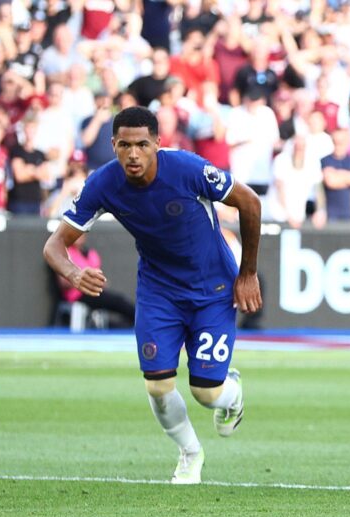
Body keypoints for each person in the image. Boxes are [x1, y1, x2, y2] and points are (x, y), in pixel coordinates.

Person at [43, 106, 263, 484]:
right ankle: (190, 453)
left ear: (158, 144)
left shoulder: (189, 170)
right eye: (124, 145)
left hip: (213, 288)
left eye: (142, 144)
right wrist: (74, 273)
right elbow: (54, 246)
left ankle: (231, 391)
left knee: (206, 393)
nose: (133, 154)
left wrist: (248, 273)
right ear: (112, 145)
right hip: (159, 291)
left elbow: (249, 202)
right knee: (158, 385)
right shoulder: (103, 184)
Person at [55, 235, 136, 328]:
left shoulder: (91, 254)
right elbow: (63, 282)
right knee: (117, 301)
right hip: (78, 295)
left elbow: (99, 277)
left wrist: (99, 282)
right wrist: (84, 280)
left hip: (94, 292)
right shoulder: (66, 252)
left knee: (119, 301)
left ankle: (133, 322)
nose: (78, 237)